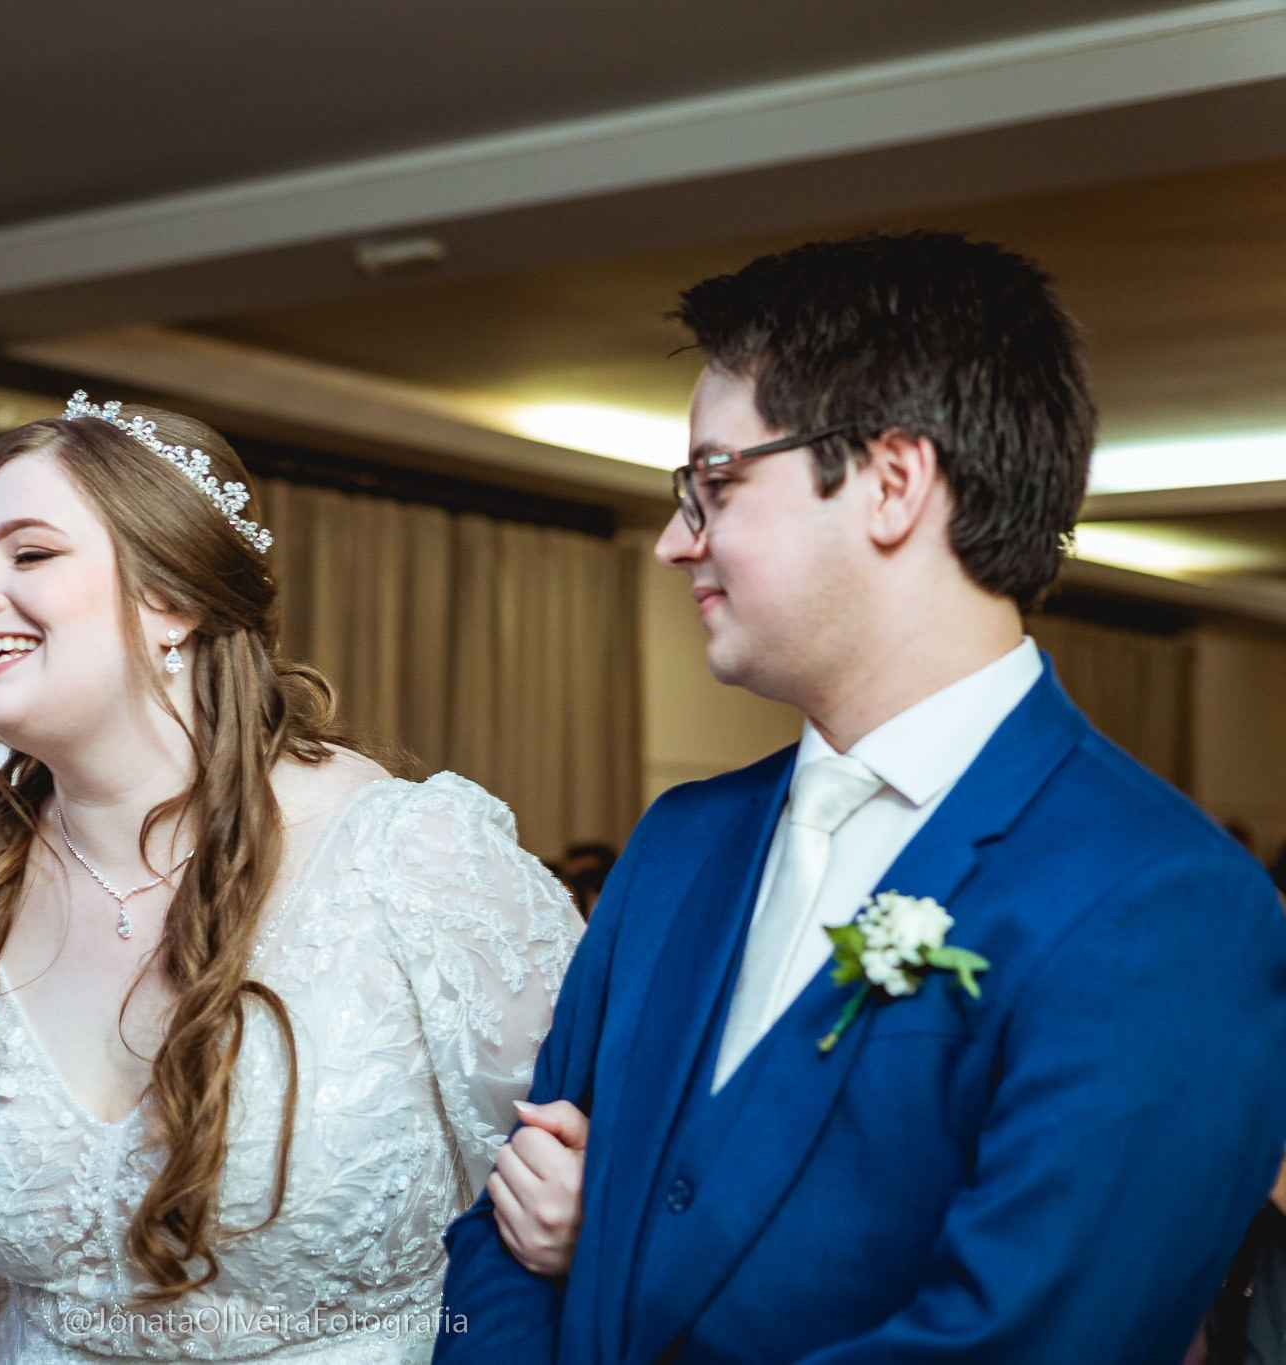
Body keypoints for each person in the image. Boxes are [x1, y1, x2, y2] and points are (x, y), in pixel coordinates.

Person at [435, 231, 1286, 1365]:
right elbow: (499, 1221)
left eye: (713, 483)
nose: (670, 541)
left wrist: (610, 1246)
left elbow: (1026, 1340)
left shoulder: (1166, 901)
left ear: (891, 482)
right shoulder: (681, 840)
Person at [0, 394, 581, 1364]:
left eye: (27, 555)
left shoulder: (417, 857)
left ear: (174, 598)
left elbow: (582, 1194)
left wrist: (585, 1215)